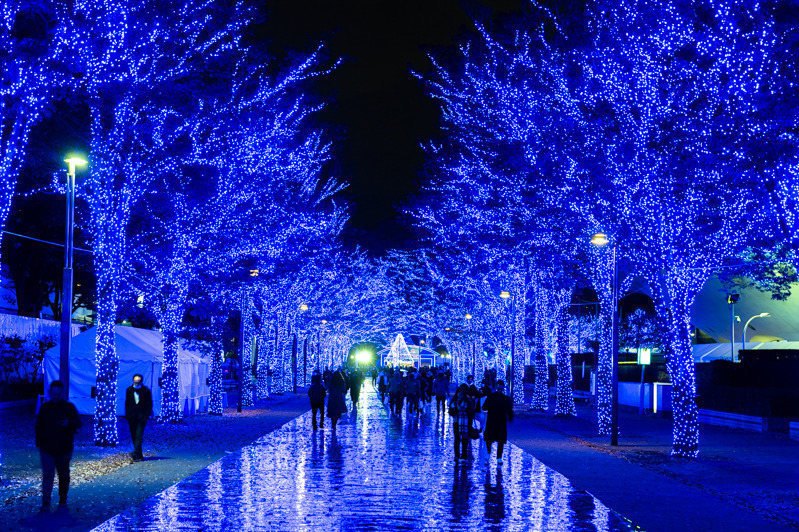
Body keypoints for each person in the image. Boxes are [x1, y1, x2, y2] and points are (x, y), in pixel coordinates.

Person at [35, 380, 81, 512]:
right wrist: (40, 443)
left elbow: (78, 422)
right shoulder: (45, 408)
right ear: (50, 393)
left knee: (63, 475)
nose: (56, 396)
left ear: (62, 393)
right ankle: (46, 502)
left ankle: (62, 499)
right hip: (47, 448)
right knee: (48, 475)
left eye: (58, 394)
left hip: (63, 448)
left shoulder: (69, 407)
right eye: (54, 393)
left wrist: (69, 423)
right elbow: (38, 426)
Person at [482, 380, 514, 464]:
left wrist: (510, 417)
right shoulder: (492, 397)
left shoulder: (505, 398)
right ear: (496, 387)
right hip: (493, 421)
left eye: (501, 388)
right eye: (499, 387)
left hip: (500, 422)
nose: (500, 389)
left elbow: (509, 410)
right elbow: (484, 407)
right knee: (490, 439)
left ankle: (498, 457)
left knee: (500, 440)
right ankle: (489, 454)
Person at [125, 374, 152, 462]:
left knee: (138, 435)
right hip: (132, 417)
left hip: (141, 417)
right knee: (134, 435)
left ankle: (136, 452)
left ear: (141, 381)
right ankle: (139, 454)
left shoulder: (146, 391)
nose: (136, 382)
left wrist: (146, 415)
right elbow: (127, 403)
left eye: (138, 381)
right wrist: (128, 415)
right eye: (135, 381)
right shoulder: (129, 390)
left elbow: (149, 404)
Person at [449, 385, 474, 461]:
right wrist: (457, 409)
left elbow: (471, 412)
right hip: (456, 422)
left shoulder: (468, 402)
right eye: (459, 394)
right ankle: (456, 455)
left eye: (461, 394)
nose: (460, 395)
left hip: (465, 423)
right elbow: (450, 412)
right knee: (457, 438)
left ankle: (464, 455)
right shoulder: (454, 402)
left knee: (464, 439)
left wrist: (465, 410)